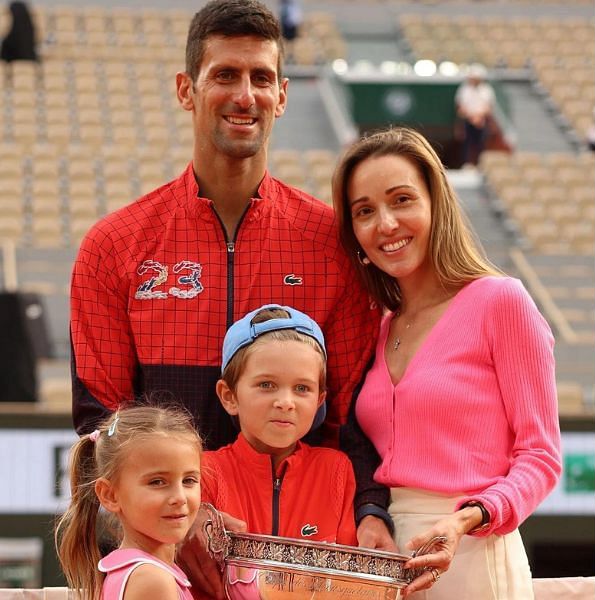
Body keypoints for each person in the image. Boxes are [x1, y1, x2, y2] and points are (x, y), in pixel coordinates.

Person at [69, 0, 376, 451]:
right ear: (185, 90)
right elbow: (103, 421)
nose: (246, 96)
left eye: (262, 78)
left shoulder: (332, 243)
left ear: (283, 96)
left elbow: (348, 421)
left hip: (291, 521)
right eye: (225, 75)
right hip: (166, 519)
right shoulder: (113, 245)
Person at [332, 127, 562, 598]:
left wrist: (466, 519)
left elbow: (541, 456)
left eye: (401, 200)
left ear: (437, 203)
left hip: (474, 554)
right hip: (390, 564)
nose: (386, 224)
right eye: (365, 211)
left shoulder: (501, 301)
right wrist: (372, 515)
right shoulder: (378, 327)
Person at [202, 305, 356, 545]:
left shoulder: (336, 471)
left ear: (319, 400)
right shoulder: (204, 472)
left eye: (302, 388)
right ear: (229, 396)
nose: (285, 403)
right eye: (266, 384)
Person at [55, 406, 203, 599]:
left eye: (189, 480)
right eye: (157, 482)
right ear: (110, 495)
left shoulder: (141, 573)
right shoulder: (152, 580)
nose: (180, 497)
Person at [455, 64, 496, 167]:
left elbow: (488, 107)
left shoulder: (487, 90)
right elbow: (460, 107)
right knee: (467, 143)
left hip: (481, 121)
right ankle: (467, 163)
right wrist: (472, 117)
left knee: (481, 143)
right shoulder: (464, 90)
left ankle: (480, 164)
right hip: (468, 120)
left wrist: (479, 117)